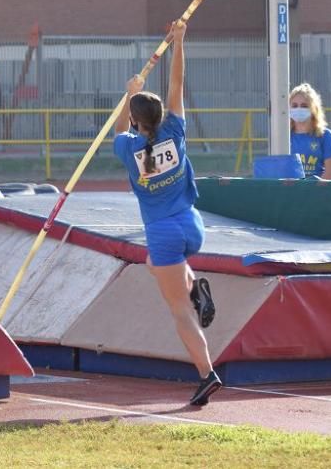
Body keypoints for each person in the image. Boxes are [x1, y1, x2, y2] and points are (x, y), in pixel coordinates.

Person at [113, 23, 221, 407]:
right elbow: (178, 83)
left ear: (136, 119)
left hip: (164, 233)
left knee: (178, 311)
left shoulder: (128, 149)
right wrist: (180, 41)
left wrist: (128, 97)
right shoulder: (175, 130)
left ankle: (207, 375)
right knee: (154, 263)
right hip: (192, 225)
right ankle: (196, 289)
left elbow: (120, 129)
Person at [289, 83, 331, 179]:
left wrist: (314, 191)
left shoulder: (326, 136)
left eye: (304, 105)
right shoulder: (284, 137)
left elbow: (329, 173)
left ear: (313, 108)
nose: (298, 109)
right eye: (294, 105)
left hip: (317, 191)